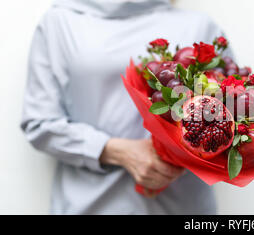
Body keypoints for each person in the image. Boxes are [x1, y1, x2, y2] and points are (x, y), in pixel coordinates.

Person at [20, 0, 233, 215]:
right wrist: (118, 152)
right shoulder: (60, 22)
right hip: (91, 207)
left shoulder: (199, 26)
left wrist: (183, 157)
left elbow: (234, 118)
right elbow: (40, 122)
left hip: (182, 208)